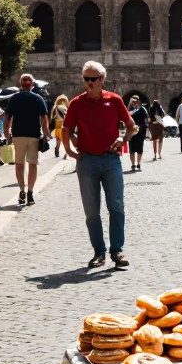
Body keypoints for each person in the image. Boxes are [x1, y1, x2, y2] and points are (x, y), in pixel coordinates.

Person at [62, 61, 137, 270]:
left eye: (92, 79)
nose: (88, 83)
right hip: (87, 162)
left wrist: (124, 140)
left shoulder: (114, 100)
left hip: (111, 160)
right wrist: (70, 152)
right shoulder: (77, 103)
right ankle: (99, 252)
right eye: (85, 79)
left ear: (102, 79)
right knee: (91, 211)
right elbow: (66, 129)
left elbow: (131, 126)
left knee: (116, 207)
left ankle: (117, 250)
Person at [3, 74, 50, 206]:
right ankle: (30, 193)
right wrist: (46, 134)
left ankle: (22, 190)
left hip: (18, 135)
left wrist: (7, 133)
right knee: (33, 164)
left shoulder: (14, 98)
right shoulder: (38, 98)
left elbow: (7, 117)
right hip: (33, 135)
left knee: (19, 164)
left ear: (20, 84)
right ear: (32, 84)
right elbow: (44, 118)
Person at [127, 95, 149, 172]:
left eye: (135, 102)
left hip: (140, 130)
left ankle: (138, 163)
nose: (134, 103)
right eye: (133, 102)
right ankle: (133, 164)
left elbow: (146, 119)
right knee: (132, 148)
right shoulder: (129, 109)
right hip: (132, 130)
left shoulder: (143, 109)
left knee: (140, 147)